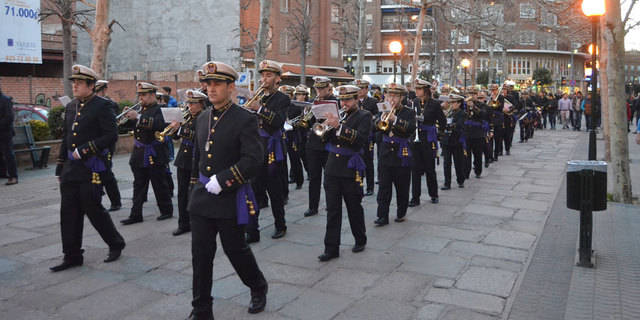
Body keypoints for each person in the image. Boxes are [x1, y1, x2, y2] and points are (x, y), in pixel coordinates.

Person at [187, 61, 268, 319]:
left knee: (235, 250)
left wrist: (224, 179)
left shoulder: (244, 119)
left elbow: (254, 159)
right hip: (202, 198)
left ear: (231, 87)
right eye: (208, 83)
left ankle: (257, 285)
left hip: (229, 196)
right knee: (200, 256)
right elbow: (197, 158)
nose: (210, 89)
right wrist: (193, 189)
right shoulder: (201, 118)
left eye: (217, 84)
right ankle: (201, 308)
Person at [50, 64, 125, 272]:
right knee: (68, 213)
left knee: (93, 210)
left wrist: (85, 149)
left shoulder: (102, 106)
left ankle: (116, 243)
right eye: (73, 82)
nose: (74, 86)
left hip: (90, 167)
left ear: (91, 86)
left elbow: (111, 136)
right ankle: (72, 255)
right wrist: (59, 167)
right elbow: (66, 137)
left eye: (79, 83)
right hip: (70, 170)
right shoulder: (71, 106)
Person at [318, 85, 370, 262]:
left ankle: (360, 238)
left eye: (348, 100)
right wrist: (326, 126)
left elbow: (360, 139)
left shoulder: (364, 116)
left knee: (354, 206)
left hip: (350, 167)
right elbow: (324, 138)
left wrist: (339, 127)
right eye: (342, 100)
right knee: (332, 210)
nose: (344, 103)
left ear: (356, 99)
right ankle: (331, 248)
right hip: (332, 167)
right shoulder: (338, 115)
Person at [246, 60, 289, 242]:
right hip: (257, 147)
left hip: (273, 148)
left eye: (269, 75)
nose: (264, 78)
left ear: (277, 79)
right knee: (254, 190)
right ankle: (253, 230)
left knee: (275, 192)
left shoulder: (282, 99)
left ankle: (280, 225)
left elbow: (278, 121)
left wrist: (259, 109)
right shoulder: (259, 96)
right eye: (263, 75)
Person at [120, 82, 174, 225]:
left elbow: (158, 124)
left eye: (143, 95)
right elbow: (132, 126)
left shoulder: (161, 109)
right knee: (138, 186)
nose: (141, 98)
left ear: (152, 95)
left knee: (159, 184)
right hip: (139, 153)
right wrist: (126, 118)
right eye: (140, 95)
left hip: (155, 153)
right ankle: (135, 214)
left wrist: (137, 117)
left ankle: (166, 210)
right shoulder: (141, 109)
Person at [374, 83, 416, 226]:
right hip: (385, 152)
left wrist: (395, 120)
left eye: (395, 96)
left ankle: (401, 212)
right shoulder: (383, 109)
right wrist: (381, 120)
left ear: (402, 97)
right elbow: (375, 126)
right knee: (384, 186)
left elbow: (410, 128)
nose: (391, 99)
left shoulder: (409, 112)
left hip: (401, 153)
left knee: (402, 186)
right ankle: (382, 216)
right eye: (389, 95)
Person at [168, 89, 206, 236]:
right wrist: (173, 129)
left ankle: (196, 222)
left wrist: (180, 130)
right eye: (188, 103)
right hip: (183, 160)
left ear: (201, 104)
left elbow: (199, 136)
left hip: (196, 160)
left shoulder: (204, 117)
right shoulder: (188, 117)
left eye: (193, 103)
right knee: (182, 194)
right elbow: (177, 138)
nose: (189, 106)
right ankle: (183, 223)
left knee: (195, 194)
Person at [301, 76, 335, 217]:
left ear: (328, 88)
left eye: (322, 88)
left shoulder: (336, 102)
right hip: (313, 145)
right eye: (317, 88)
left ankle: (331, 204)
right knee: (314, 178)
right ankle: (312, 207)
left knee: (329, 178)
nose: (320, 91)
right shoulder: (312, 102)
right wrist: (306, 113)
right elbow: (308, 124)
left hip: (328, 144)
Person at [409, 79, 445, 206]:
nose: (416, 91)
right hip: (416, 138)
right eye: (416, 89)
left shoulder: (434, 104)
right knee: (415, 169)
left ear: (425, 90)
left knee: (430, 168)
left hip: (428, 139)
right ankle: (415, 197)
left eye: (419, 89)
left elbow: (442, 121)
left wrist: (438, 135)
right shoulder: (415, 102)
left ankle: (433, 194)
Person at [94, 80, 122, 211]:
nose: (98, 93)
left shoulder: (109, 104)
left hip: (106, 144)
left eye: (99, 91)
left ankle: (116, 202)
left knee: (106, 173)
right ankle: (96, 199)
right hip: (93, 142)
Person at [353, 79, 378, 196]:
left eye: (362, 88)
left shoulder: (373, 101)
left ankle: (370, 187)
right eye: (358, 89)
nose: (360, 91)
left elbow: (377, 115)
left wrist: (371, 118)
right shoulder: (354, 101)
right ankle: (359, 184)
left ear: (367, 89)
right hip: (355, 134)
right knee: (358, 160)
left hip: (368, 134)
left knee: (368, 162)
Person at [440, 94, 467, 190]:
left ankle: (460, 180)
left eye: (454, 102)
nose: (452, 104)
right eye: (450, 102)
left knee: (458, 162)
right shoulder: (448, 112)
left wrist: (451, 125)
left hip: (456, 141)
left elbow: (460, 126)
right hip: (447, 141)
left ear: (459, 103)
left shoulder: (462, 113)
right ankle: (447, 183)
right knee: (446, 163)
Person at [0, 86, 18, 185]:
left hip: (5, 133)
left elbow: (9, 117)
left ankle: (13, 176)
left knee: (8, 155)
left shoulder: (5, 100)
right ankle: (2, 173)